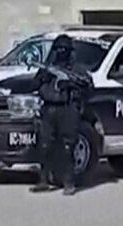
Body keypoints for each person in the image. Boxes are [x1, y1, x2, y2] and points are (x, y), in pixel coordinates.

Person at [30, 35, 93, 196]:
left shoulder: (76, 70)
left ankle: (69, 182)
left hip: (67, 109)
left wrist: (71, 85)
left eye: (63, 50)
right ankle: (43, 180)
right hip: (49, 109)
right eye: (58, 49)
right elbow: (34, 84)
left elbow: (88, 86)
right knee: (44, 146)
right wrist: (43, 78)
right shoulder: (48, 68)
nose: (60, 52)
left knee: (67, 147)